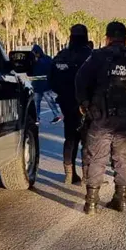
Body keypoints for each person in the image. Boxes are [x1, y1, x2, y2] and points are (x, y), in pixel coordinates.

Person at [76, 21, 126, 214]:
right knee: (122, 159)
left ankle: (91, 203)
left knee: (97, 158)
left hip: (101, 117)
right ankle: (121, 200)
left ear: (107, 38)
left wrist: (84, 104)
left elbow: (80, 80)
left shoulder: (97, 56)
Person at [48, 25, 94, 184]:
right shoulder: (90, 56)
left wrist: (64, 93)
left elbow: (51, 80)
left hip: (66, 102)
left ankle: (69, 173)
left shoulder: (61, 56)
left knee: (70, 138)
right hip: (86, 104)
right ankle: (87, 175)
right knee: (87, 140)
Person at [30, 44, 62, 124]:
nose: (35, 55)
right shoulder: (32, 61)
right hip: (36, 85)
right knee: (36, 103)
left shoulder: (46, 59)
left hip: (45, 85)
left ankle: (57, 115)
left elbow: (51, 68)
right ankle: (36, 118)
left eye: (36, 53)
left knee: (50, 101)